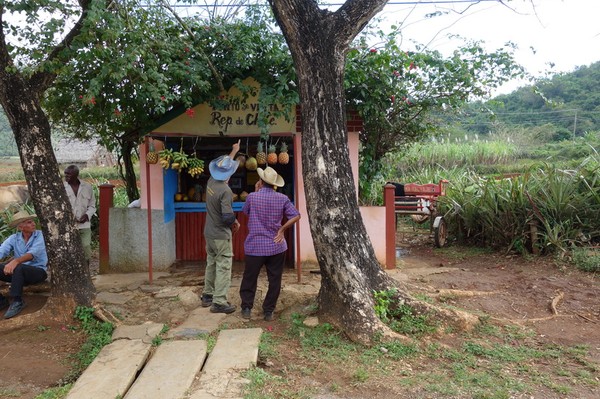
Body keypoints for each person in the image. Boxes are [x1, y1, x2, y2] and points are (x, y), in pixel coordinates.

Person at [239, 167, 300, 321]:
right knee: (274, 279)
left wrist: (255, 191)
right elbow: (296, 215)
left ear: (260, 181)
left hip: (255, 246)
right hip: (276, 245)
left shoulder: (252, 197)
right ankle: (268, 311)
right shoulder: (283, 198)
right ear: (274, 184)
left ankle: (246, 308)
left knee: (249, 278)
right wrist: (282, 229)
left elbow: (246, 212)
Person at [201, 140, 241, 314]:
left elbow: (223, 168)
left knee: (211, 263)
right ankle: (219, 302)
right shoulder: (225, 191)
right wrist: (235, 222)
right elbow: (227, 217)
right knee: (224, 266)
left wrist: (233, 151)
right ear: (228, 175)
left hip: (208, 233)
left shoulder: (211, 181)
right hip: (220, 235)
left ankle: (207, 295)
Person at [0, 210, 48, 319]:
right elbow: (2, 251)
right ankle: (1, 301)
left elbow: (32, 254)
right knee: (18, 268)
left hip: (38, 272)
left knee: (19, 267)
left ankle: (17, 301)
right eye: (29, 222)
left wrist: (15, 261)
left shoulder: (40, 236)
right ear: (21, 227)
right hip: (18, 274)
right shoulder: (14, 238)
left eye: (32, 222)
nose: (33, 224)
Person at [64, 165, 96, 265]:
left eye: (69, 174)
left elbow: (92, 205)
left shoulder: (87, 187)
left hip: (84, 224)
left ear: (76, 175)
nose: (66, 176)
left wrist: (87, 215)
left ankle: (86, 270)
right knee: (70, 250)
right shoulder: (62, 187)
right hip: (68, 225)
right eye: (65, 174)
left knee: (86, 247)